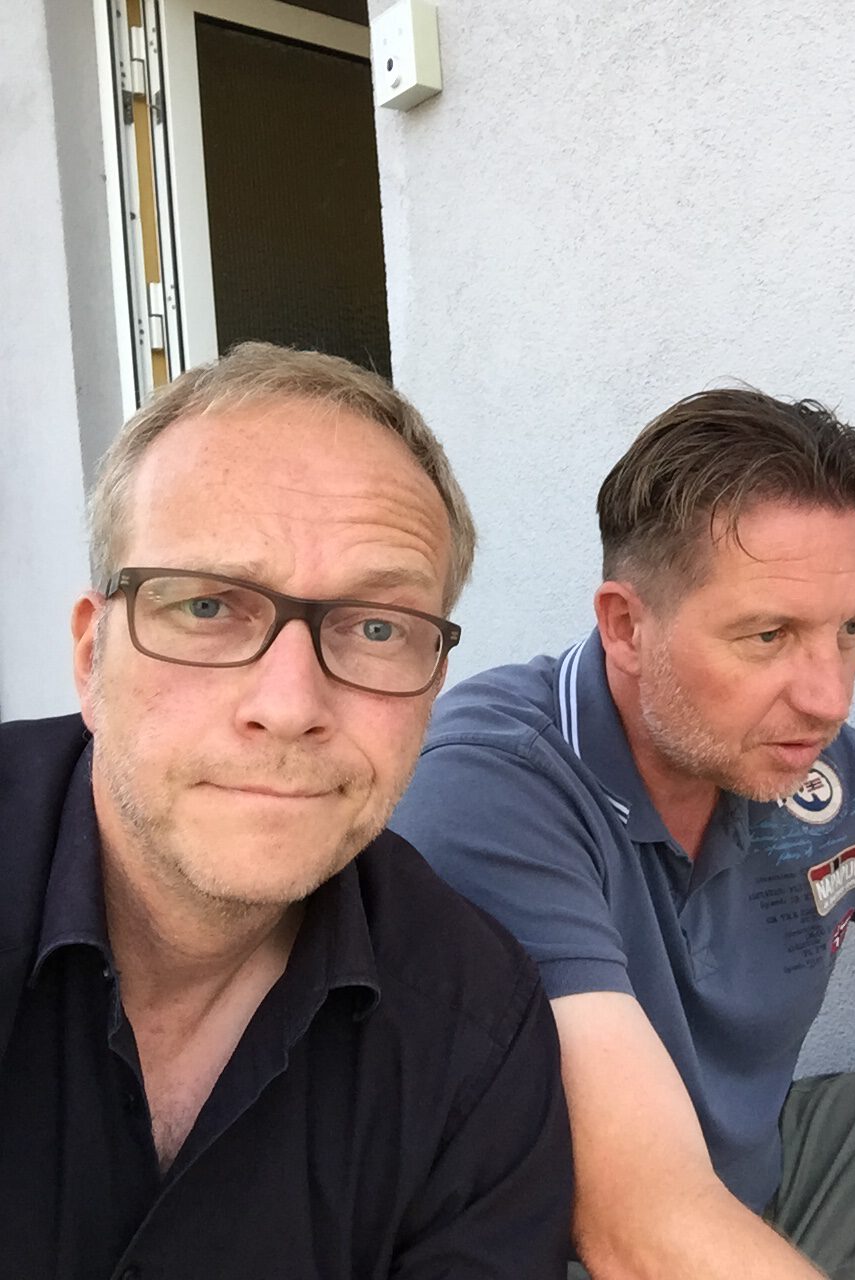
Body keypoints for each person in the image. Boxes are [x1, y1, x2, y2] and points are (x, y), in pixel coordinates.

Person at [0, 342, 572, 1279]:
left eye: (377, 627)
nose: (292, 703)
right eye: (208, 607)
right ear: (91, 658)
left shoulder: (476, 1031)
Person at [391, 388, 855, 1280]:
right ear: (626, 626)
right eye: (768, 635)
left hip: (763, 1183)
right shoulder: (493, 787)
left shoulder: (820, 770)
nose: (829, 698)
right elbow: (639, 1227)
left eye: (851, 630)